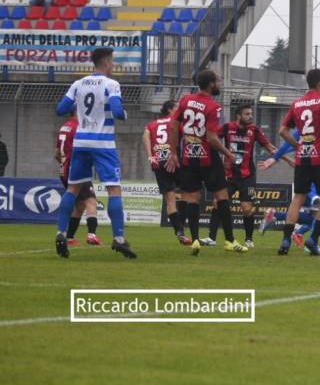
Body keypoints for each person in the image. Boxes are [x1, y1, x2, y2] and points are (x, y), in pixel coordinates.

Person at [53, 47, 135, 259]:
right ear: (106, 62)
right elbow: (117, 112)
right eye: (113, 62)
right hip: (103, 144)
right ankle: (118, 239)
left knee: (72, 189)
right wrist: (123, 113)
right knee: (114, 190)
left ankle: (61, 233)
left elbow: (61, 109)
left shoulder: (78, 83)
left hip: (81, 142)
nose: (114, 65)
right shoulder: (111, 84)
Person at [165, 69, 247, 254]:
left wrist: (173, 151)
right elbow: (211, 138)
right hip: (208, 157)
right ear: (211, 83)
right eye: (218, 80)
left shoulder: (186, 100)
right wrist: (228, 153)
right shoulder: (213, 106)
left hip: (188, 156)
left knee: (192, 198)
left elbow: (174, 125)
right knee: (222, 196)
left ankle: (194, 240)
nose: (220, 83)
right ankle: (229, 240)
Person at [276, 68, 320, 256]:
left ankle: (285, 239)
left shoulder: (297, 103)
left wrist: (298, 146)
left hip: (302, 158)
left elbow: (282, 130)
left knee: (298, 198)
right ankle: (313, 240)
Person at [206, 103, 278, 249]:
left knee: (246, 208)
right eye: (247, 114)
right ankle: (211, 238)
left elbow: (269, 147)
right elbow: (212, 139)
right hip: (229, 174)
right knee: (217, 202)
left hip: (247, 175)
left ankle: (249, 239)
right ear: (238, 115)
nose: (250, 116)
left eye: (251, 114)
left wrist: (279, 154)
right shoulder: (227, 127)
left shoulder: (254, 130)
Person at [143, 99, 191, 245]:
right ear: (171, 109)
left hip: (159, 163)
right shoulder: (177, 122)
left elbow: (145, 136)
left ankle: (179, 231)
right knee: (188, 193)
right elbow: (187, 137)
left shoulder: (151, 124)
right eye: (177, 107)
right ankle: (182, 227)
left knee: (170, 199)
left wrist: (150, 156)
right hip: (174, 160)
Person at [55, 113, 100, 247]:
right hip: (77, 169)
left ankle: (69, 238)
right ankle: (92, 235)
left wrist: (65, 164)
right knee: (91, 201)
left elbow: (57, 154)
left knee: (79, 205)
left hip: (64, 170)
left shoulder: (65, 127)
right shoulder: (80, 127)